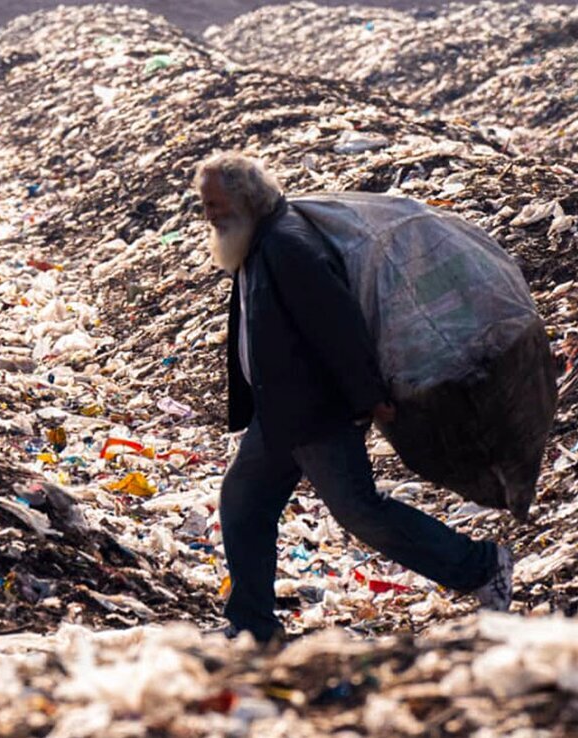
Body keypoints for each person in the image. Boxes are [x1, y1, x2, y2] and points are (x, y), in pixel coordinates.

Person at [195, 151, 513, 644]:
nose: (209, 214)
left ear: (245, 197)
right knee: (243, 501)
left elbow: (336, 324)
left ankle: (481, 566)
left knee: (361, 511)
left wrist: (368, 394)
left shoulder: (286, 245)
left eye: (215, 203)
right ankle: (252, 623)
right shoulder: (258, 241)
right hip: (282, 413)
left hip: (314, 412)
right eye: (205, 205)